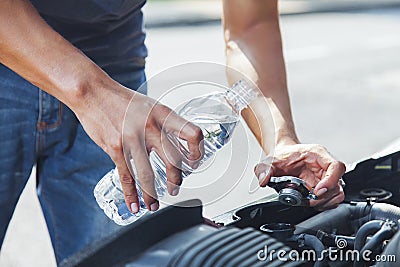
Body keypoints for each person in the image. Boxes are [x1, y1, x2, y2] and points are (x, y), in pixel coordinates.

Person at [0, 0, 346, 264]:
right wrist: (91, 93)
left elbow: (251, 24)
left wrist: (280, 139)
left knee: (117, 256)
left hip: (114, 65)